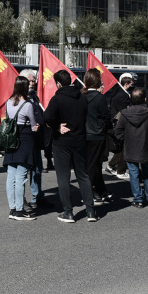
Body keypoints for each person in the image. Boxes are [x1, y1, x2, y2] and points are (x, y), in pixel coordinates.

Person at [41, 69, 97, 223]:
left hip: (62, 142)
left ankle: (68, 212)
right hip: (79, 140)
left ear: (58, 84)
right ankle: (91, 211)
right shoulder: (82, 98)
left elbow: (47, 117)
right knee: (83, 176)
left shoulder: (57, 99)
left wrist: (57, 126)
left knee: (63, 178)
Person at [115, 88, 148, 208]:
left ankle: (138, 199)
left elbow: (118, 132)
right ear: (145, 99)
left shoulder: (124, 114)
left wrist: (124, 141)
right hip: (147, 146)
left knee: (134, 173)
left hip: (130, 147)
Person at [3, 77, 38, 221]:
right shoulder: (27, 105)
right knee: (21, 177)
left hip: (10, 142)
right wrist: (35, 127)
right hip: (24, 141)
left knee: (11, 176)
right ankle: (19, 210)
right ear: (24, 88)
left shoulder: (8, 102)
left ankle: (12, 209)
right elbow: (33, 125)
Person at [19, 69, 49, 212]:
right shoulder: (19, 98)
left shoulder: (35, 96)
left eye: (33, 81)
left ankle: (37, 197)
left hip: (36, 139)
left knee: (37, 169)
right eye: (29, 81)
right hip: (25, 139)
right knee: (23, 171)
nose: (32, 83)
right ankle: (22, 200)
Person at [83, 69, 113, 204]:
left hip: (84, 134)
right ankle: (91, 192)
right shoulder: (100, 97)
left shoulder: (82, 96)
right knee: (95, 165)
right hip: (97, 134)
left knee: (92, 164)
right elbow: (106, 116)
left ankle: (101, 190)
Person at [105, 73, 133, 179]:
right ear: (126, 83)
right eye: (130, 84)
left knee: (121, 148)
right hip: (121, 124)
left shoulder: (117, 92)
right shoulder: (124, 95)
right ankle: (120, 170)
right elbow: (124, 112)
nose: (131, 86)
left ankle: (112, 165)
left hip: (116, 122)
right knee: (124, 148)